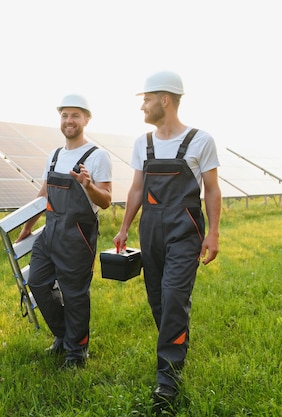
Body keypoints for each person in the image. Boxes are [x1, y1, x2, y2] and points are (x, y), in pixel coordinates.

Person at [112, 71, 221, 407]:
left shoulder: (201, 140)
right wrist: (124, 227)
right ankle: (177, 340)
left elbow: (212, 190)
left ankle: (168, 381)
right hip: (151, 230)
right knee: (158, 300)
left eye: (146, 99)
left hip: (185, 231)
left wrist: (214, 232)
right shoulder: (142, 143)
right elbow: (136, 189)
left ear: (165, 99)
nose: (142, 106)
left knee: (174, 298)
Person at [16, 94, 112, 369]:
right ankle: (64, 335)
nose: (69, 121)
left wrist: (89, 185)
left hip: (77, 235)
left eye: (75, 115)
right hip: (51, 231)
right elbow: (44, 193)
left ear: (86, 119)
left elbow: (105, 200)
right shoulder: (55, 155)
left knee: (74, 294)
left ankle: (76, 352)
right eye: (64, 115)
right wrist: (28, 227)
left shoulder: (98, 156)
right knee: (36, 282)